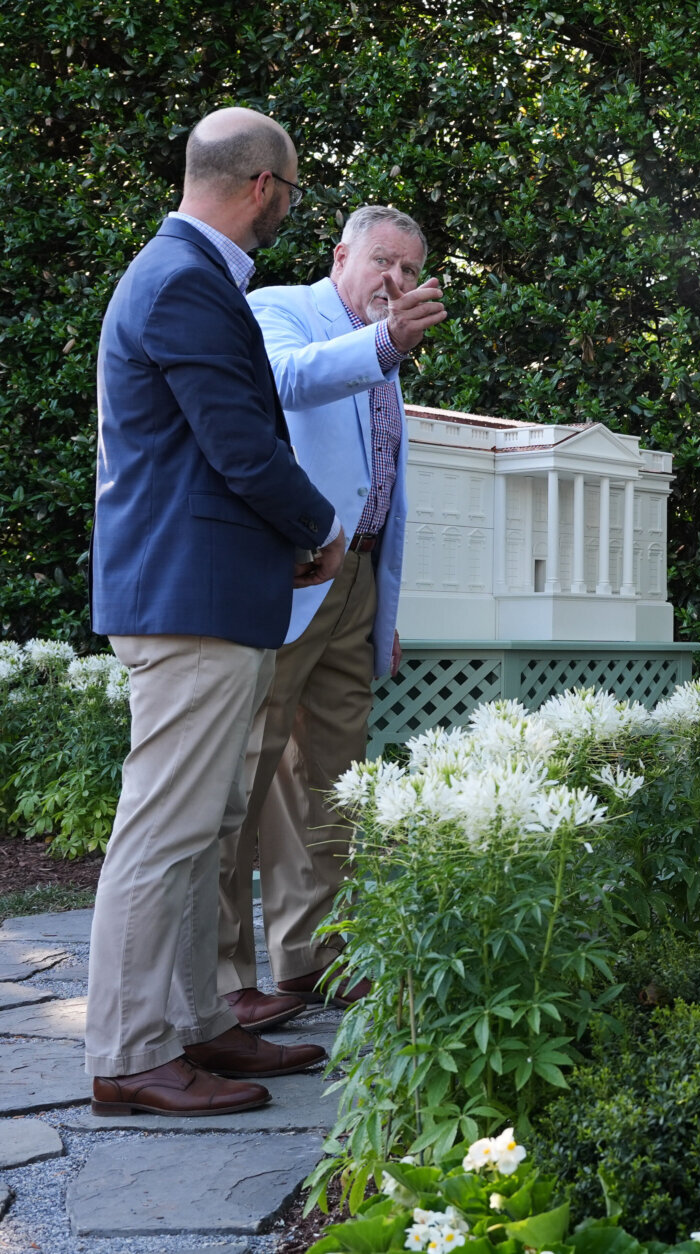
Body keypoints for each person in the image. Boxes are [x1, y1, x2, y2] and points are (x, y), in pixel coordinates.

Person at [87, 106, 342, 1116]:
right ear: (263, 187)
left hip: (207, 590)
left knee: (205, 824)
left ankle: (193, 1026)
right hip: (187, 597)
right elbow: (238, 445)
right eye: (290, 191)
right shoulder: (184, 282)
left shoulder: (180, 277)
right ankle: (130, 1051)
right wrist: (315, 527)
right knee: (163, 831)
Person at [215, 205, 446, 1026]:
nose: (396, 281)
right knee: (243, 778)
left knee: (333, 788)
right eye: (384, 261)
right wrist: (384, 346)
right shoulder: (279, 310)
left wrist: (382, 613)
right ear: (341, 254)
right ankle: (225, 981)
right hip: (289, 576)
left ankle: (312, 959)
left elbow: (382, 489)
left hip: (359, 583)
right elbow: (281, 383)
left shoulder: (383, 351)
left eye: (412, 271)